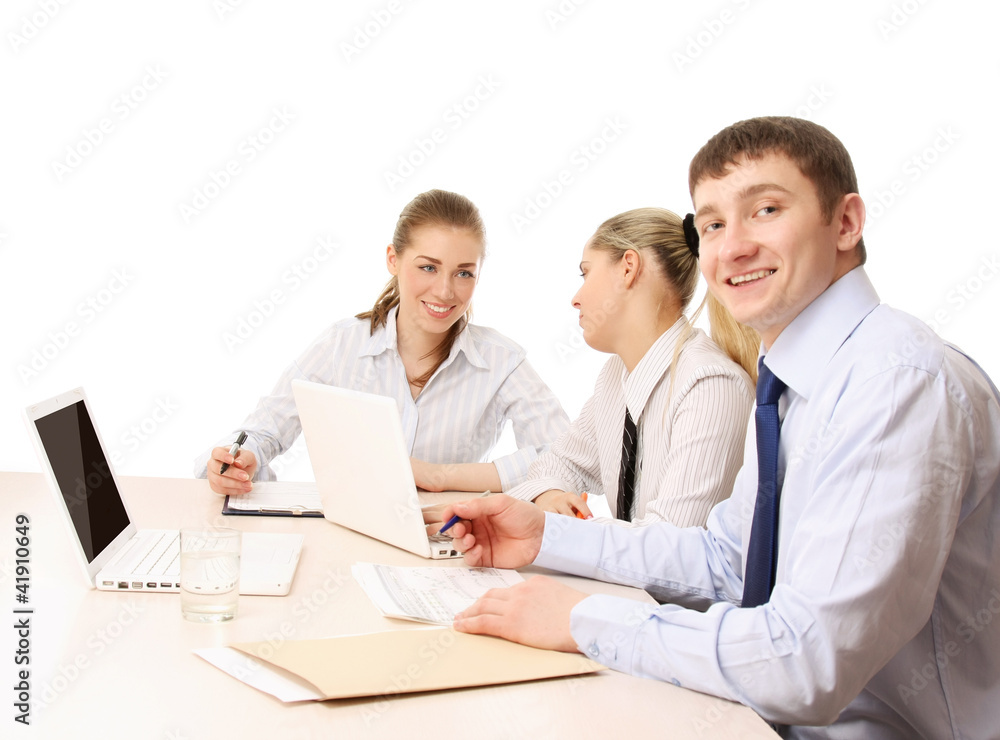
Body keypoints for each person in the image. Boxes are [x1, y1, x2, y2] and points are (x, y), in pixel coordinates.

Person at [442, 118, 1000, 738]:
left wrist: (582, 620)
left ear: (845, 224)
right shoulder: (791, 383)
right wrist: (546, 537)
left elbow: (804, 663)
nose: (732, 248)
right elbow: (728, 561)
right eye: (712, 224)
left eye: (764, 209)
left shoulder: (895, 382)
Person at [195, 189, 569, 496]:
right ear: (393, 258)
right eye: (428, 267)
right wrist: (239, 460)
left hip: (446, 547)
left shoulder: (501, 361)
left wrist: (441, 476)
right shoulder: (341, 346)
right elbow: (262, 433)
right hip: (346, 539)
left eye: (464, 273)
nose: (444, 290)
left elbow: (563, 458)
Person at [506, 207, 759, 527]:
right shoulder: (615, 376)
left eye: (586, 273)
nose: (576, 298)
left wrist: (568, 532)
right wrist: (550, 495)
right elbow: (557, 463)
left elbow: (668, 543)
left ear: (628, 268)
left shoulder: (709, 385)